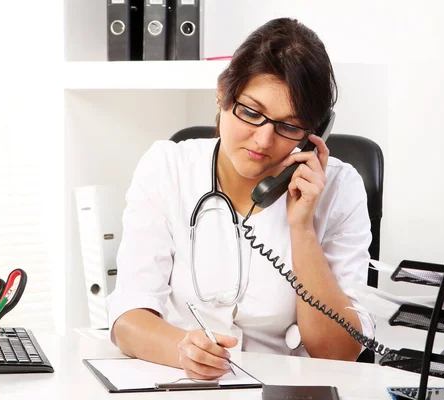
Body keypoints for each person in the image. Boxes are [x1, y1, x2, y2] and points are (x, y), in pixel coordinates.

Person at [107, 17, 374, 380]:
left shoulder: (340, 189)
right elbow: (127, 319)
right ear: (223, 94)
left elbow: (338, 353)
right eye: (251, 112)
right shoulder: (167, 167)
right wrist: (182, 350)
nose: (263, 140)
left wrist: (302, 228)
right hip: (183, 385)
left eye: (289, 126)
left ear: (314, 132)